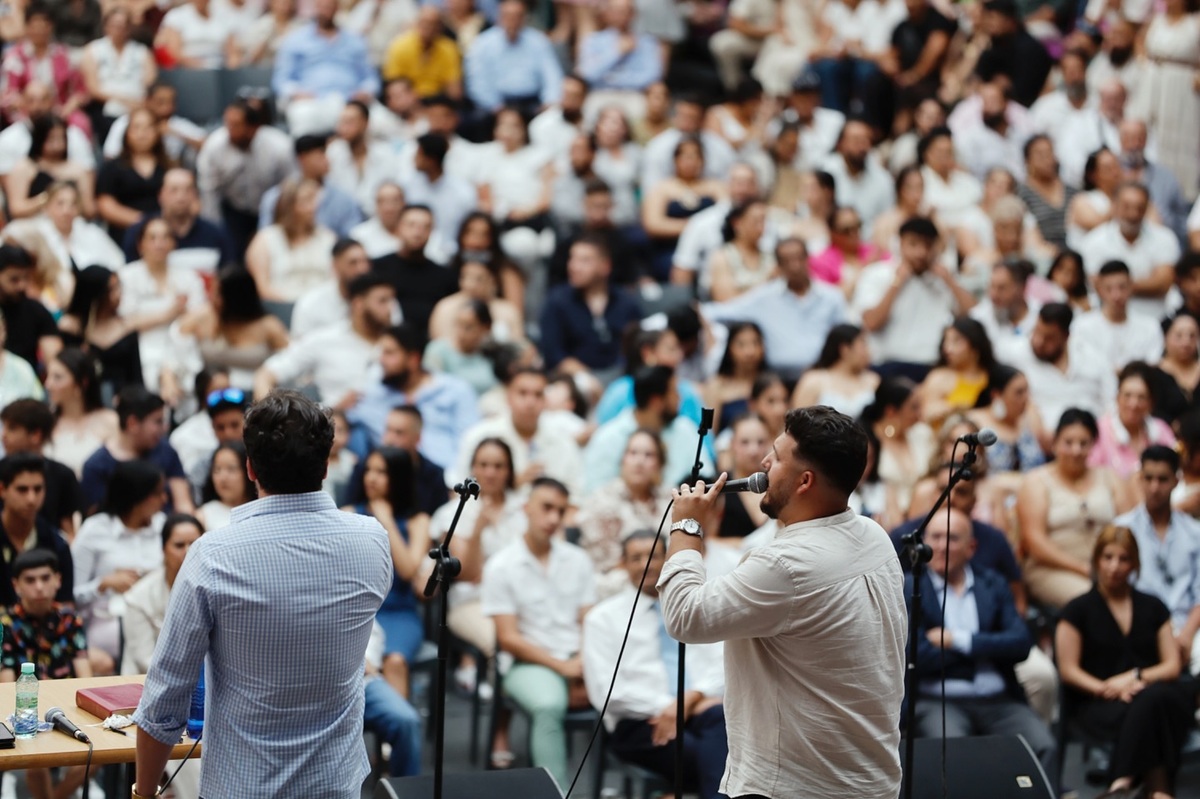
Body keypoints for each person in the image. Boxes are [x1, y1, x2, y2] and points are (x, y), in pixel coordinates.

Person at [133, 391, 393, 799]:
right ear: (325, 466)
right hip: (336, 786)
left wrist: (143, 792)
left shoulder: (212, 556)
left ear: (250, 468)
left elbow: (165, 700)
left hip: (242, 787)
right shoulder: (372, 540)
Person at [658, 406, 906, 798]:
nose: (763, 462)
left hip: (793, 787)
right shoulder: (874, 537)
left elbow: (684, 618)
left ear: (805, 481)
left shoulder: (785, 566)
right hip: (870, 782)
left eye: (776, 456)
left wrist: (686, 526)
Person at [908, 508, 1058, 789]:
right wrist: (987, 648)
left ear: (971, 547)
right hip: (939, 699)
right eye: (935, 537)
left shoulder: (993, 583)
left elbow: (1020, 643)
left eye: (952, 538)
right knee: (953, 755)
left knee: (1042, 746)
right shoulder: (911, 588)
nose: (941, 546)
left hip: (998, 699)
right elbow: (914, 655)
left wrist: (959, 641)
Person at [582, 529, 728, 798]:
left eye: (653, 556)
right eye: (635, 558)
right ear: (623, 564)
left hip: (694, 707)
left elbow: (721, 662)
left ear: (668, 559)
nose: (644, 564)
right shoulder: (602, 619)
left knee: (722, 726)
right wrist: (668, 707)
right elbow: (607, 693)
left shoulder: (690, 606)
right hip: (640, 720)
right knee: (715, 756)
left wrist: (691, 698)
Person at [1056, 526, 1198, 799]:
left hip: (1155, 693)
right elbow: (1069, 670)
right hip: (1101, 702)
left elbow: (1171, 666)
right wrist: (1107, 689)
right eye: (1108, 557)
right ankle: (1158, 790)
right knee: (1152, 709)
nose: (1114, 567)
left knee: (1152, 700)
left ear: (1134, 563)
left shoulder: (1153, 606)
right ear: (1097, 559)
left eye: (1123, 559)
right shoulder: (1077, 609)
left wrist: (1135, 678)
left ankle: (1121, 783)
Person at [481, 477, 596, 789]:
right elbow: (508, 638)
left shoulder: (578, 559)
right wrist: (563, 669)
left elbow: (589, 622)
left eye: (560, 510)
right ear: (526, 508)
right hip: (525, 663)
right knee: (548, 704)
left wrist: (583, 668)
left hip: (576, 658)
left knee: (626, 686)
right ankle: (555, 793)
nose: (554, 519)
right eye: (546, 508)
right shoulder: (501, 565)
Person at [1018, 409, 1134, 610]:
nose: (1076, 450)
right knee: (1095, 601)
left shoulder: (1109, 477)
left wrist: (1113, 566)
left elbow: (1129, 527)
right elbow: (1034, 541)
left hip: (1109, 567)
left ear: (1093, 445)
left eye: (1083, 443)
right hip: (1052, 568)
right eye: (1068, 442)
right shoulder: (1036, 482)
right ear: (1055, 443)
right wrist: (1083, 568)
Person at [0, 548, 92, 799]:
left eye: (45, 578)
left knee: (98, 754)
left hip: (65, 709)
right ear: (16, 585)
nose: (39, 587)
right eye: (30, 580)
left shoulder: (70, 621)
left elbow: (86, 678)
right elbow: (7, 687)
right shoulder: (5, 625)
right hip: (24, 711)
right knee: (36, 758)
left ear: (58, 580)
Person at [345, 446, 431, 698]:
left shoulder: (418, 521)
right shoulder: (349, 513)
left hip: (399, 612)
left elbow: (408, 570)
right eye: (369, 470)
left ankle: (394, 733)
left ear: (398, 477)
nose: (371, 477)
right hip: (359, 608)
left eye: (381, 472)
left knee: (394, 661)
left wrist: (386, 519)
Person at [704, 238, 848, 382]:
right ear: (778, 266)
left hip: (821, 376)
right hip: (777, 380)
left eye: (799, 259)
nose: (795, 266)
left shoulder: (832, 297)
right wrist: (700, 315)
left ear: (807, 259)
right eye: (787, 261)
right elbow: (720, 311)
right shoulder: (764, 297)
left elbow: (845, 336)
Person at [854, 217, 975, 382]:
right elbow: (871, 322)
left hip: (931, 367)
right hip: (887, 366)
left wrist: (950, 282)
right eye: (913, 244)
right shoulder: (876, 274)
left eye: (927, 245)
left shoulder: (944, 279)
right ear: (899, 244)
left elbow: (973, 316)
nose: (921, 253)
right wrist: (897, 283)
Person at [73, 459, 166, 673]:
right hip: (106, 623)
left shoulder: (163, 525)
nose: (164, 499)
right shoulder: (95, 529)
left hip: (156, 621)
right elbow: (71, 595)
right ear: (137, 496)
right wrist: (103, 584)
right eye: (158, 493)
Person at [1115, 446, 1200, 674]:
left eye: (1162, 479)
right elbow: (1117, 590)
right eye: (1148, 478)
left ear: (1176, 480)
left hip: (1187, 625)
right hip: (1140, 626)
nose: (1154, 488)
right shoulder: (1123, 530)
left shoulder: (1194, 532)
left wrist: (1187, 634)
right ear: (1140, 480)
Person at [346, 323, 479, 468]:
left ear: (413, 359)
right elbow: (333, 421)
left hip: (448, 481)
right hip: (393, 481)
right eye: (382, 352)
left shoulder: (456, 390)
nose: (381, 360)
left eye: (389, 353)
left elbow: (470, 445)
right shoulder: (371, 395)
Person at [255, 272, 395, 407]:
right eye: (382, 301)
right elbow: (267, 374)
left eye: (392, 300)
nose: (391, 308)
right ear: (358, 303)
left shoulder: (399, 343)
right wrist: (268, 415)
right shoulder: (324, 340)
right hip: (336, 424)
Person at [450, 366, 582, 496]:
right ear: (508, 397)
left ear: (545, 401)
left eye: (538, 395)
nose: (530, 402)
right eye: (522, 393)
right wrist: (510, 486)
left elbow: (576, 498)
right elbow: (457, 492)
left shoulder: (564, 442)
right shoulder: (478, 436)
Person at [584, 366, 716, 495]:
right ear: (656, 402)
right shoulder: (608, 438)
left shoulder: (685, 429)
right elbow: (593, 492)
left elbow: (706, 480)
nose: (680, 398)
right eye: (674, 392)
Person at [577, 428, 673, 596]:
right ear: (623, 460)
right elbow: (601, 563)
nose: (639, 461)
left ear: (659, 464)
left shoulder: (671, 499)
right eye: (633, 453)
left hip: (666, 584)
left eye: (648, 455)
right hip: (614, 586)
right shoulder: (601, 501)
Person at [196, 99, 295, 255]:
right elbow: (209, 193)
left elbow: (291, 186)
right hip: (234, 210)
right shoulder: (214, 147)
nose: (229, 130)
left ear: (253, 128)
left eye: (235, 125)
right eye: (227, 123)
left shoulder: (279, 146)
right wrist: (214, 232)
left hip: (271, 209)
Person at [1000, 302, 1116, 432]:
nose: (1039, 341)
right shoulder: (1011, 354)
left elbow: (1111, 402)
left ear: (1066, 336)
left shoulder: (1092, 359)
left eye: (1049, 338)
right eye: (1037, 332)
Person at [539, 235, 642, 380]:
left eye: (584, 261)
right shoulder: (557, 302)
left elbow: (636, 347)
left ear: (605, 266)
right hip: (576, 382)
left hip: (621, 378)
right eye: (572, 259)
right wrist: (587, 379)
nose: (574, 267)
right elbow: (554, 354)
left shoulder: (626, 302)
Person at [272, 0, 379, 136]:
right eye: (321, 6)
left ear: (337, 8)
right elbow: (281, 80)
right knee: (302, 121)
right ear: (314, 8)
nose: (325, 10)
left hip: (351, 101)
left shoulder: (355, 40)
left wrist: (365, 91)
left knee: (381, 122)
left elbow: (371, 79)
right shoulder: (295, 40)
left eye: (329, 6)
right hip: (312, 102)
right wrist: (296, 92)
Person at [80, 386, 192, 515]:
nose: (164, 428)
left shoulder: (166, 451)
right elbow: (97, 518)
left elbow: (183, 503)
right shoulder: (96, 466)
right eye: (157, 421)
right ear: (132, 423)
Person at [120, 513, 203, 674]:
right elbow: (145, 660)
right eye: (179, 545)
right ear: (163, 549)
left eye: (194, 544)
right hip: (142, 684)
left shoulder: (216, 587)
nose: (188, 552)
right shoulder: (138, 597)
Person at [120, 168, 237, 276]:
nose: (181, 197)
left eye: (188, 190)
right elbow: (130, 275)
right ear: (160, 195)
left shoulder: (216, 234)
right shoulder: (140, 233)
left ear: (195, 194)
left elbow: (227, 275)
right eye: (174, 190)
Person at [0, 454, 73, 606]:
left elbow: (66, 605)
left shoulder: (57, 544)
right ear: (2, 490)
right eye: (22, 490)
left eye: (38, 489)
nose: (31, 499)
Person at [1089, 364, 1177, 481]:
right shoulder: (1099, 430)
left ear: (1151, 402)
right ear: (1117, 397)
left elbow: (1175, 469)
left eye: (1141, 397)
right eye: (1127, 395)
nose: (1134, 404)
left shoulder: (1161, 429)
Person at [43, 348, 118, 479]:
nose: (48, 384)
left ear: (82, 383)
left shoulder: (110, 421)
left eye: (57, 377)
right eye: (48, 376)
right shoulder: (44, 421)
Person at [918, 317, 995, 428]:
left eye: (956, 341)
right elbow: (927, 413)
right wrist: (957, 408)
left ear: (975, 343)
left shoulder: (993, 376)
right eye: (946, 341)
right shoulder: (939, 377)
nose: (948, 349)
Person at [967, 365, 1046, 473]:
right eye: (1019, 392)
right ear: (997, 394)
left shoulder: (1031, 416)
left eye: (1027, 391)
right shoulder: (974, 420)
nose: (1026, 398)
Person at [791, 324, 879, 419]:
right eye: (863, 345)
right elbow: (797, 423)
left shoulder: (873, 380)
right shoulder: (813, 380)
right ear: (845, 349)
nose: (868, 352)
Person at [0, 243, 59, 369]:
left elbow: (54, 361)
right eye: (14, 279)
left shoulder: (36, 312)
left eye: (26, 278)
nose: (21, 285)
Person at [196, 441, 255, 532]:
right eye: (217, 469)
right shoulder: (203, 516)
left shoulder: (259, 509)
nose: (223, 478)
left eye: (231, 469)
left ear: (248, 471)